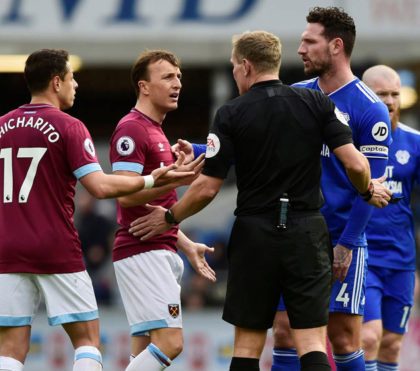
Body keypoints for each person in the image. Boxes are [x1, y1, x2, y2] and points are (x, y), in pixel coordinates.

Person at [127, 31, 392, 371]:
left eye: (235, 67)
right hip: (307, 233)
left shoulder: (232, 113)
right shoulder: (316, 103)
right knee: (312, 343)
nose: (235, 73)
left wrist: (169, 217)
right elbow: (356, 164)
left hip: (255, 234)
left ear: (246, 66)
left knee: (248, 345)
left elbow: (207, 188)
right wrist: (368, 190)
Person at [0, 49, 194, 371]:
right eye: (72, 78)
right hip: (55, 245)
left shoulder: (2, 126)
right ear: (56, 81)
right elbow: (101, 188)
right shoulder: (69, 126)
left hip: (6, 247)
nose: (76, 85)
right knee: (87, 340)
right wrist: (149, 180)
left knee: (9, 349)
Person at [268, 7, 393, 371]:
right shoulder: (294, 94)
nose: (300, 49)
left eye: (310, 41)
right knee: (284, 330)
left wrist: (347, 244)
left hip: (340, 238)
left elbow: (372, 187)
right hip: (292, 236)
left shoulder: (369, 109)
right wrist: (200, 151)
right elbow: (249, 140)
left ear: (336, 46)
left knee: (342, 339)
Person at [108, 49, 215, 371]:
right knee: (171, 343)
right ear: (144, 86)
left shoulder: (156, 131)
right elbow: (125, 195)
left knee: (145, 348)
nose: (177, 83)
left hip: (156, 248)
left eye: (179, 77)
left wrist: (186, 244)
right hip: (143, 253)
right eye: (167, 77)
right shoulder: (132, 129)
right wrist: (179, 180)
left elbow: (154, 208)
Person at [360, 65, 420, 371]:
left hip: (401, 260)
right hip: (364, 256)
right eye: (381, 94)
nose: (389, 100)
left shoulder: (415, 143)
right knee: (369, 337)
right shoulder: (351, 141)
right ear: (366, 94)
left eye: (395, 94)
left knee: (392, 343)